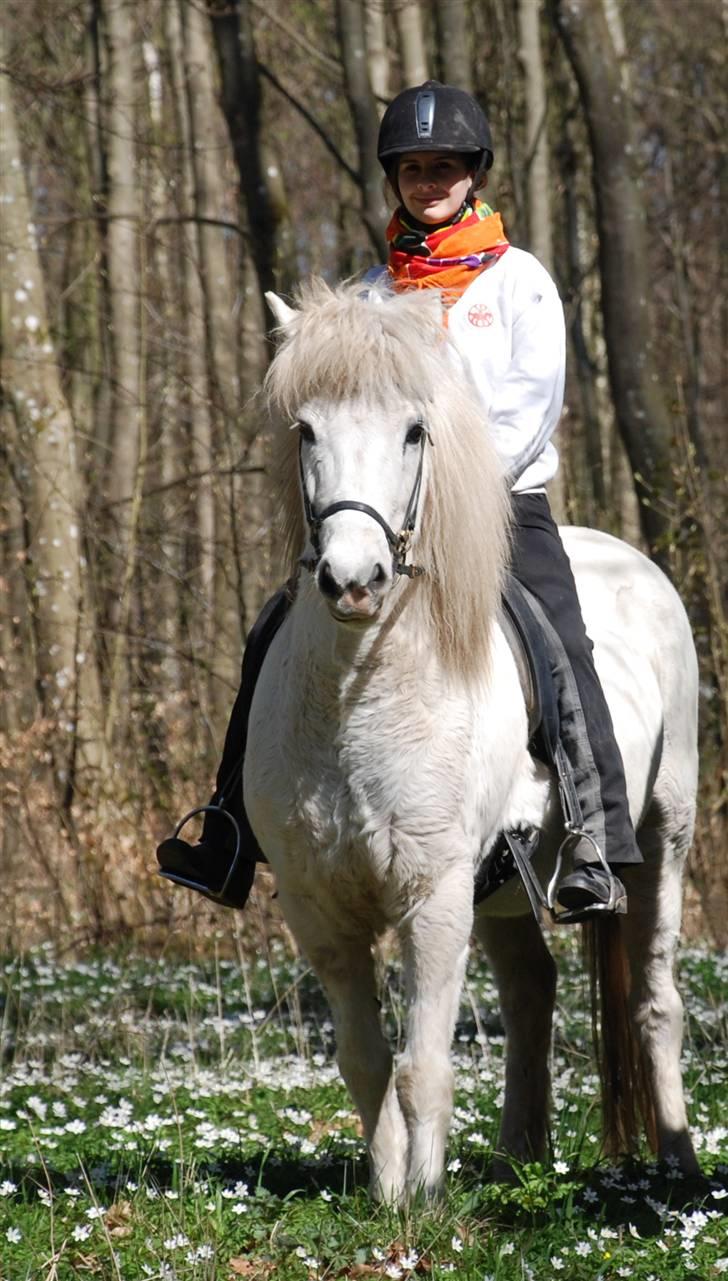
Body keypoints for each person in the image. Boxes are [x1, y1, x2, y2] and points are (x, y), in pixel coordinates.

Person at [158, 80, 641, 917]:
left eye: (444, 166)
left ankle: (597, 835)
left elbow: (533, 407)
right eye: (412, 167)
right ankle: (231, 827)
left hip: (501, 507)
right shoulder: (371, 295)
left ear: (474, 174)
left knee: (559, 639)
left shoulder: (520, 283)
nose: (428, 181)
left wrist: (463, 487)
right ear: (393, 179)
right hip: (383, 517)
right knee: (273, 629)